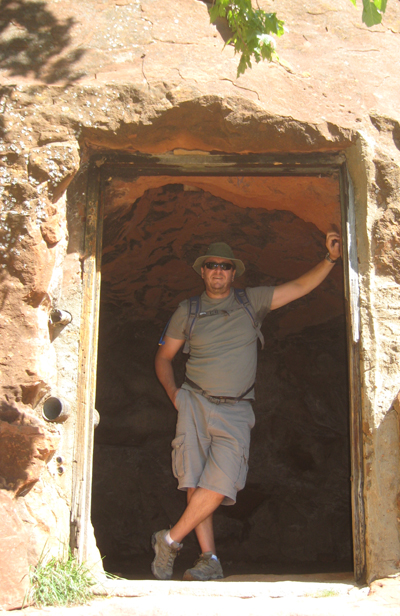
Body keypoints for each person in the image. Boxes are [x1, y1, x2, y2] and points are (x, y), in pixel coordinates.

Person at [153, 233, 341, 581]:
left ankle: (170, 540)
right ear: (203, 271)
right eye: (212, 266)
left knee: (222, 481)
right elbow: (164, 358)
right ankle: (209, 559)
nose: (218, 271)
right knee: (195, 481)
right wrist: (174, 394)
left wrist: (329, 259)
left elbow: (299, 286)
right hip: (193, 401)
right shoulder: (188, 311)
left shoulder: (250, 302)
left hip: (236, 408)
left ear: (234, 273)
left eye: (225, 267)